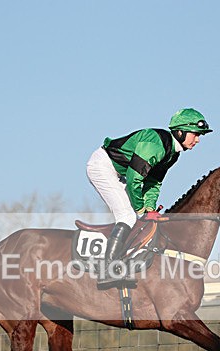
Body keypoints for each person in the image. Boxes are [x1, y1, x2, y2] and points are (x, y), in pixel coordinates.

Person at [86, 108, 213, 286]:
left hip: (119, 172)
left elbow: (153, 182)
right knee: (128, 215)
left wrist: (150, 208)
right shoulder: (156, 144)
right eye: (195, 134)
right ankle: (108, 269)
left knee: (138, 215)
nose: (198, 140)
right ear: (180, 132)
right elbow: (134, 179)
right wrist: (140, 208)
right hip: (102, 166)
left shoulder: (172, 154)